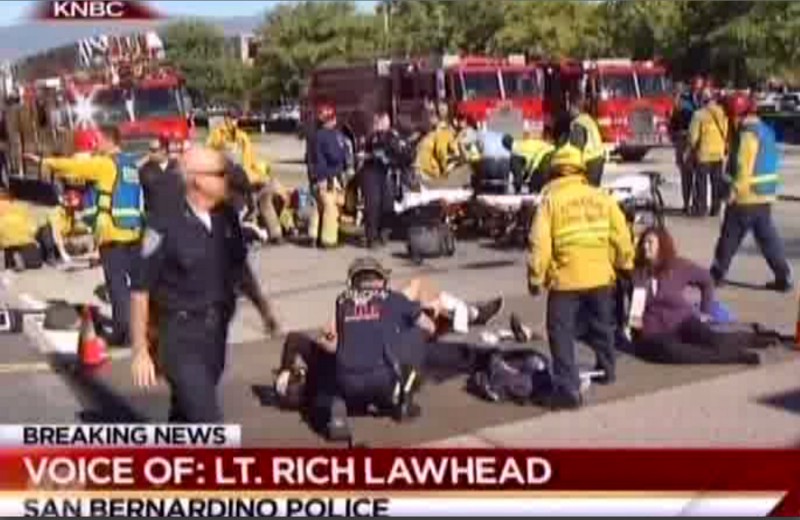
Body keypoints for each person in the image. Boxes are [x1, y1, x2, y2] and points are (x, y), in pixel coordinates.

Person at [130, 146, 280, 423]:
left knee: (187, 410)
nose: (227, 180)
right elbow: (140, 289)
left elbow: (240, 268)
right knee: (208, 420)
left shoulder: (227, 218)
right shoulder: (162, 224)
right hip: (179, 336)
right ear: (198, 181)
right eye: (221, 175)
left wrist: (263, 309)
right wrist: (140, 350)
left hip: (215, 335)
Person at [276, 257, 504, 439]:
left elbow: (330, 343)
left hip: (347, 385)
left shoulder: (342, 301)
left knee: (339, 370)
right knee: (415, 337)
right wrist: (404, 327)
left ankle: (337, 409)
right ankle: (402, 401)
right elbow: (428, 327)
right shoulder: (392, 298)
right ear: (380, 279)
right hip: (386, 382)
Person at [527, 144, 635, 409]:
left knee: (560, 331)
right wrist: (625, 264)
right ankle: (607, 369)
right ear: (581, 170)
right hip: (600, 276)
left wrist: (535, 278)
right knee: (602, 325)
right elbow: (621, 235)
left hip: (565, 279)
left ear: (555, 171)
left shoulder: (550, 201)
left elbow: (539, 244)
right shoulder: (601, 197)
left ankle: (567, 385)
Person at [28, 127, 143, 346]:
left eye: (99, 141)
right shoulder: (130, 165)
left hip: (112, 234)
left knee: (117, 287)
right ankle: (140, 329)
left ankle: (123, 333)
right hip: (133, 232)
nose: (96, 145)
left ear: (109, 141)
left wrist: (44, 162)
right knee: (134, 287)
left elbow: (74, 167)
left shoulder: (106, 164)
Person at [631, 227, 774, 364]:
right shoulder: (638, 273)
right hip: (656, 333)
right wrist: (635, 333)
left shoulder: (678, 266)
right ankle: (736, 356)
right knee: (678, 352)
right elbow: (636, 308)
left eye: (650, 242)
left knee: (714, 340)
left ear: (662, 245)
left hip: (683, 322)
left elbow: (706, 280)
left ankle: (755, 339)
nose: (645, 246)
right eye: (643, 242)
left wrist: (706, 311)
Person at [710, 94, 793, 293]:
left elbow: (743, 167)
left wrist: (733, 191)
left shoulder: (748, 134)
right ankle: (784, 277)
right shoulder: (765, 130)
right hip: (764, 196)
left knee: (729, 238)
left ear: (736, 114)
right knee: (768, 240)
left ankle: (716, 275)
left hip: (746, 197)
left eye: (729, 115)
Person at [308, 104, 348, 248]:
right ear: (331, 119)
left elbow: (310, 159)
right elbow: (334, 156)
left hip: (316, 178)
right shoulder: (330, 135)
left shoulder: (313, 136)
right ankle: (328, 240)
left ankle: (313, 236)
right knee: (331, 208)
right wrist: (344, 152)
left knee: (318, 208)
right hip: (329, 177)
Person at [688, 87, 729, 217]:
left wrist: (690, 150)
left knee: (701, 182)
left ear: (702, 99)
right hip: (719, 153)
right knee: (716, 182)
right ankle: (716, 208)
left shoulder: (698, 115)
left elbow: (693, 137)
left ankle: (701, 208)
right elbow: (727, 132)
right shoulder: (722, 113)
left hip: (704, 153)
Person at [361, 112, 398, 249]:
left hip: (386, 172)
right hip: (371, 172)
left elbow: (396, 150)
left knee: (387, 203)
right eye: (382, 122)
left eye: (386, 121)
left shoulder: (392, 135)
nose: (385, 124)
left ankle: (384, 232)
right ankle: (372, 237)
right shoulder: (372, 136)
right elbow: (372, 148)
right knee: (373, 205)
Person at [671, 77, 705, 214]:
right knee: (686, 174)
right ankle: (686, 204)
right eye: (695, 86)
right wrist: (675, 137)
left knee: (700, 175)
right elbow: (675, 121)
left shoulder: (706, 101)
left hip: (702, 141)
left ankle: (697, 204)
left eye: (699, 87)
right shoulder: (683, 101)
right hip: (685, 138)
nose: (697, 89)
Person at [36, 188, 95, 266]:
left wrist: (87, 229)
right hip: (52, 242)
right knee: (46, 229)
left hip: (64, 239)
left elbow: (75, 227)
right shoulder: (56, 212)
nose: (75, 209)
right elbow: (56, 234)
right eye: (73, 207)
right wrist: (63, 253)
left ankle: (93, 257)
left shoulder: (71, 213)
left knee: (89, 237)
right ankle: (50, 256)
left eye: (76, 207)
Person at [139, 135, 184, 220]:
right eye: (149, 150)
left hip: (176, 219)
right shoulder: (144, 170)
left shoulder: (178, 167)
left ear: (163, 150)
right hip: (154, 220)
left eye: (153, 150)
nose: (149, 153)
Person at [0, 189, 42, 271]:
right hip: (23, 236)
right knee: (13, 243)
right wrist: (33, 237)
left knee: (7, 242)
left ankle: (9, 261)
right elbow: (33, 225)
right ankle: (14, 258)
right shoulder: (21, 206)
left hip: (5, 236)